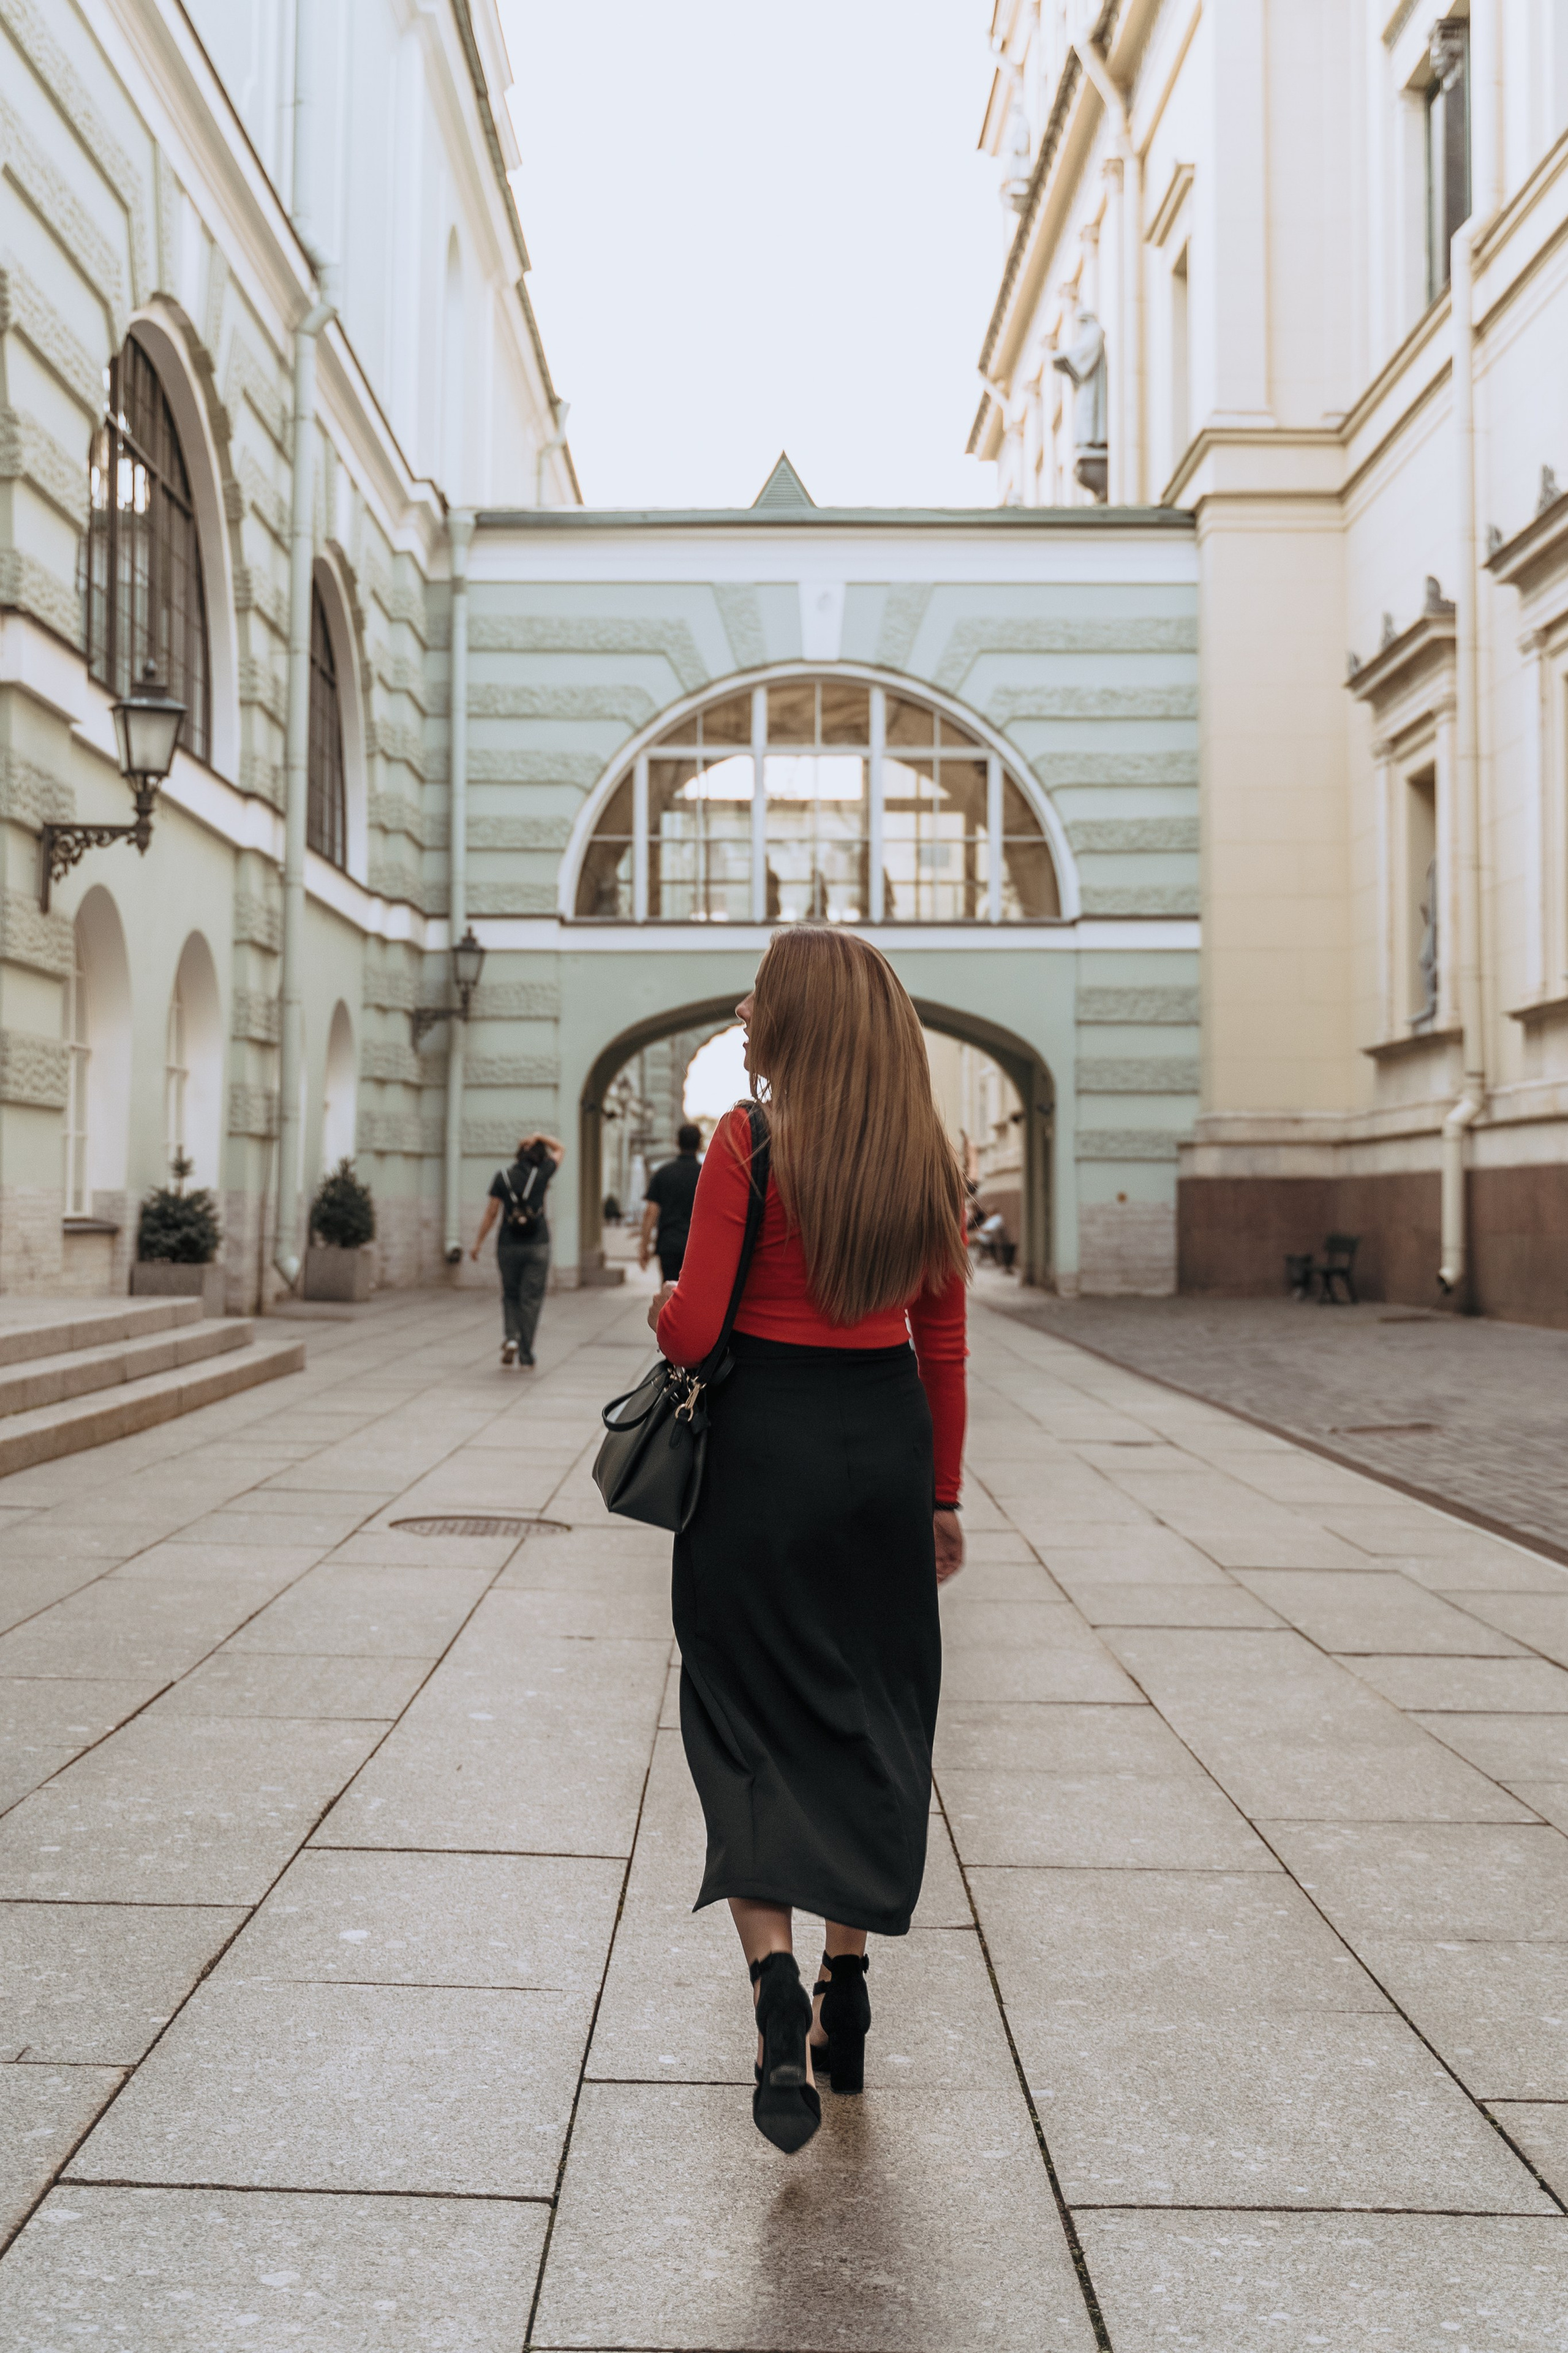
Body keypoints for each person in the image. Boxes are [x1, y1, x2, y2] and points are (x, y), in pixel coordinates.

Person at [650, 927, 967, 2156]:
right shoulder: (923, 1155)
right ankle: (847, 1988)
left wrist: (657, 1307)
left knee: (744, 1713)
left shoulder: (749, 1140)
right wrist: (939, 1496)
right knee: (870, 1705)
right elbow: (940, 1345)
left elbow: (690, 1332)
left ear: (797, 1021)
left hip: (761, 1451)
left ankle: (771, 1983)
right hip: (879, 1446)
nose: (742, 1008)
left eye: (758, 995)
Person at [469, 1133, 564, 1366]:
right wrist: (539, 1136)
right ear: (540, 1159)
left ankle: (511, 1338)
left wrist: (478, 1243)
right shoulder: (542, 1173)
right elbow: (561, 1149)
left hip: (508, 1244)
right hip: (538, 1244)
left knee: (511, 1294)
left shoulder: (502, 1177)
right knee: (531, 1298)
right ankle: (525, 1352)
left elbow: (492, 1212)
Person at [638, 1122, 703, 1282]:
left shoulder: (663, 1173)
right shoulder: (705, 1175)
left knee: (669, 1295)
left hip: (669, 1244)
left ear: (677, 1143)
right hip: (697, 1246)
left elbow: (651, 1211)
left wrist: (644, 1246)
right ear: (700, 1144)